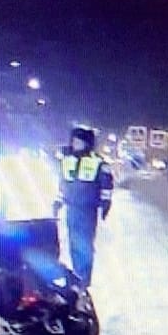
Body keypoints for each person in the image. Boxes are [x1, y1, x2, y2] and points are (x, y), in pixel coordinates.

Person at [58, 124, 114, 289]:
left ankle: (83, 281)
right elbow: (62, 184)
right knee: (73, 244)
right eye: (74, 141)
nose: (75, 144)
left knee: (84, 246)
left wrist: (105, 205)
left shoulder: (98, 162)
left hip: (87, 210)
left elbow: (107, 186)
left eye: (79, 141)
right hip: (72, 208)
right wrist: (58, 201)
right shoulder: (67, 160)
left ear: (87, 143)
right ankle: (77, 276)